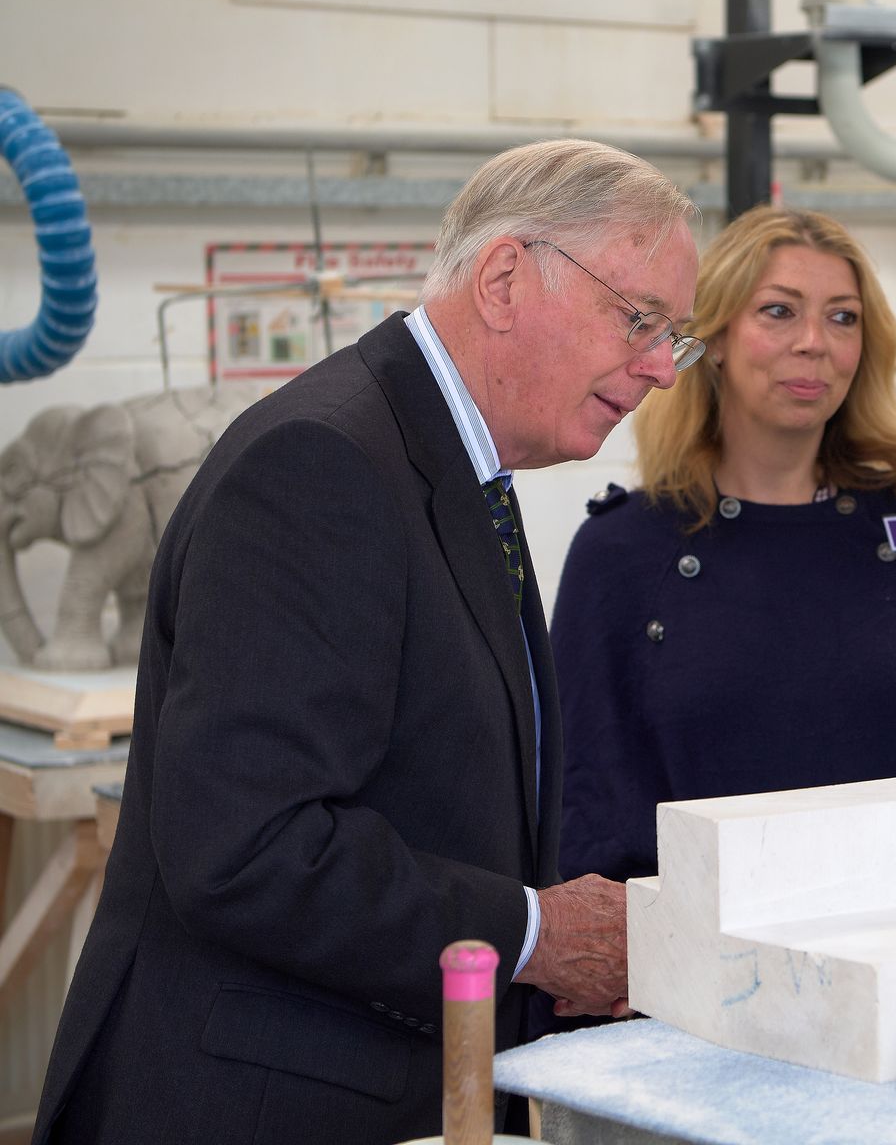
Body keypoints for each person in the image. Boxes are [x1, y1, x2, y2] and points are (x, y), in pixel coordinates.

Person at [33, 139, 700, 1145]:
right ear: (507, 278)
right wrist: (527, 936)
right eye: (639, 319)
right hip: (255, 1103)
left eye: (673, 337)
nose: (658, 368)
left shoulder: (448, 463)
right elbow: (248, 846)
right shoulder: (323, 466)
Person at [547, 206, 896, 924]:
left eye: (843, 319)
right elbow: (585, 814)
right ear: (711, 339)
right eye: (778, 312)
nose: (814, 344)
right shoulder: (623, 551)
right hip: (693, 969)